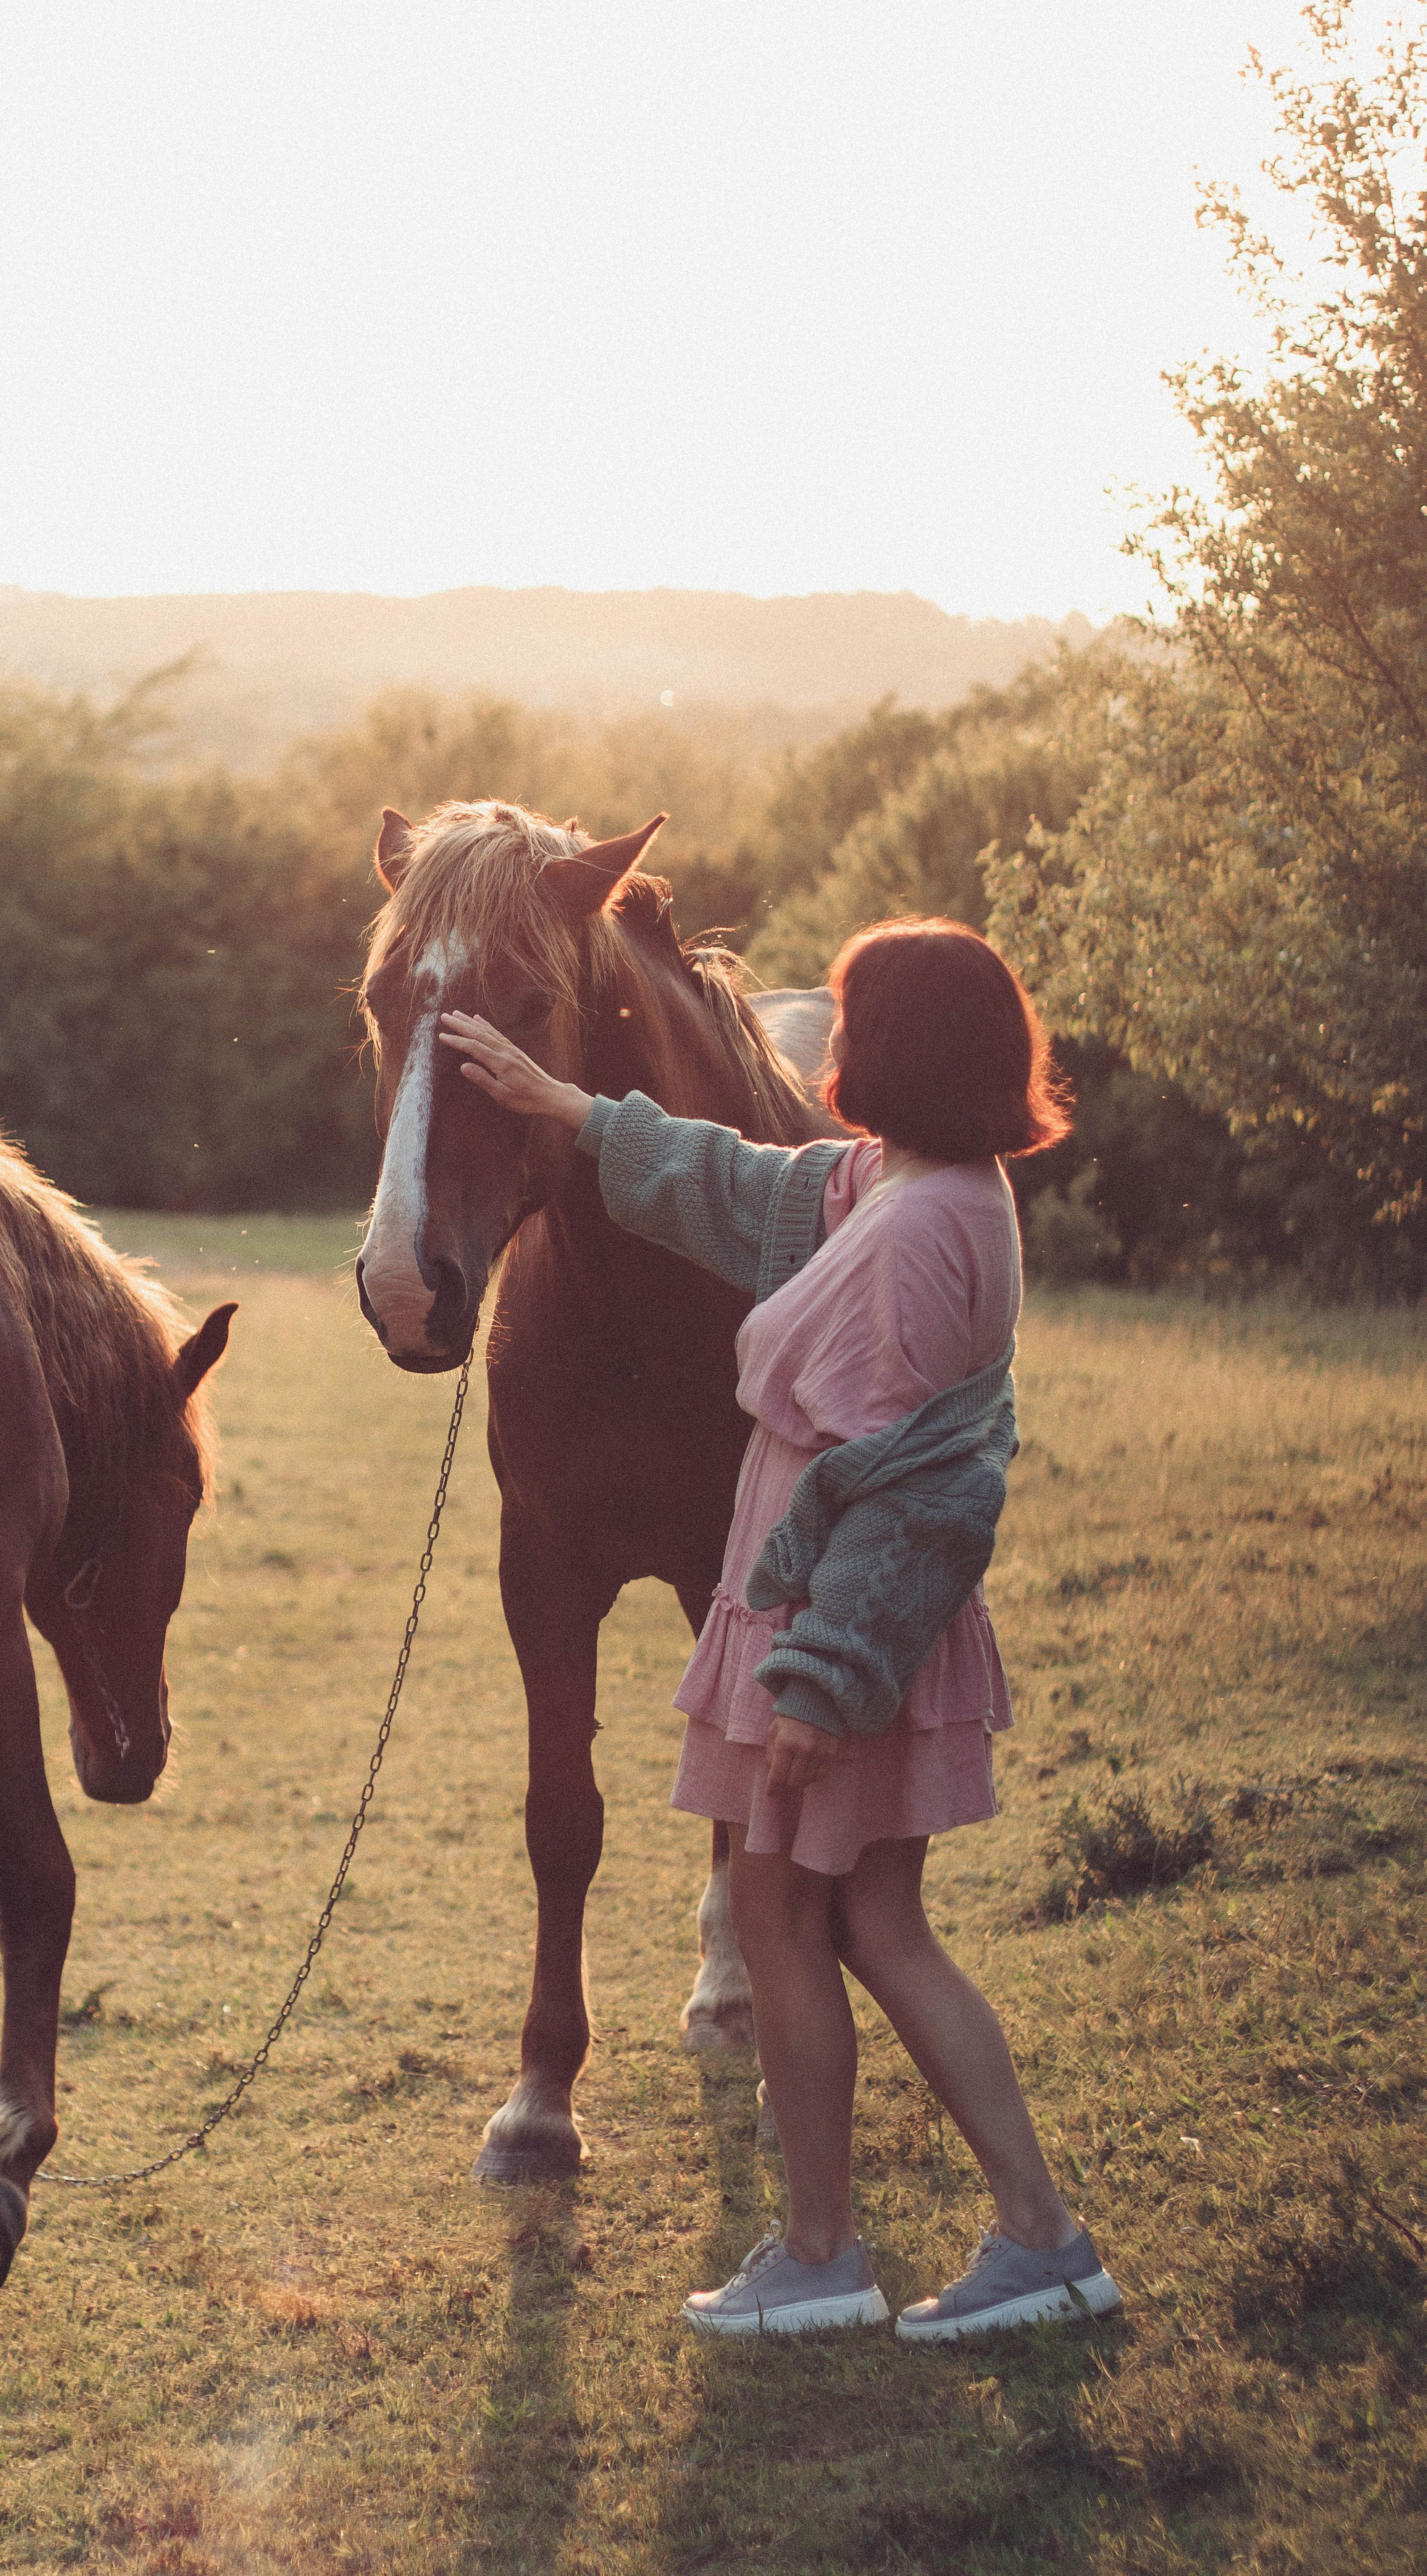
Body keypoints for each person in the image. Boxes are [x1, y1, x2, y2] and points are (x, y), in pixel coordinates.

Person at [440, 918, 1121, 2344]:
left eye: (851, 1020)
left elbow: (917, 1500)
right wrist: (561, 1107)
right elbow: (736, 1184)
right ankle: (977, 2241)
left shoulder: (921, 1232)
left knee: (814, 1913)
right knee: (842, 1917)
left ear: (899, 1053)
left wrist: (818, 1685)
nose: (823, 1044)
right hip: (826, 1632)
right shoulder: (896, 1182)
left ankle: (886, 2248)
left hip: (839, 1642)